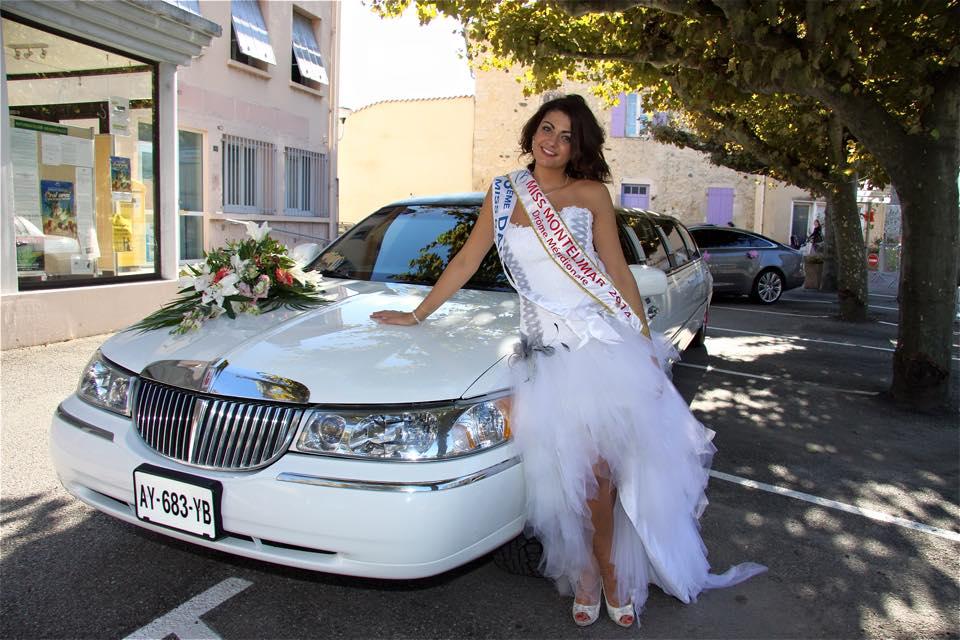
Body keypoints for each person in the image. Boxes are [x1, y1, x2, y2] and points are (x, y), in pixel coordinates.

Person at [371, 94, 764, 628]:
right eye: (546, 128)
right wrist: (418, 314)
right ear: (533, 130)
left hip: (596, 349)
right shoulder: (506, 192)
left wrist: (645, 347)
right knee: (563, 477)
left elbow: (617, 274)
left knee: (599, 473)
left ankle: (603, 566)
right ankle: (587, 569)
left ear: (578, 148)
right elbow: (467, 258)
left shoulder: (590, 194)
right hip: (543, 359)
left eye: (565, 136)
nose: (551, 142)